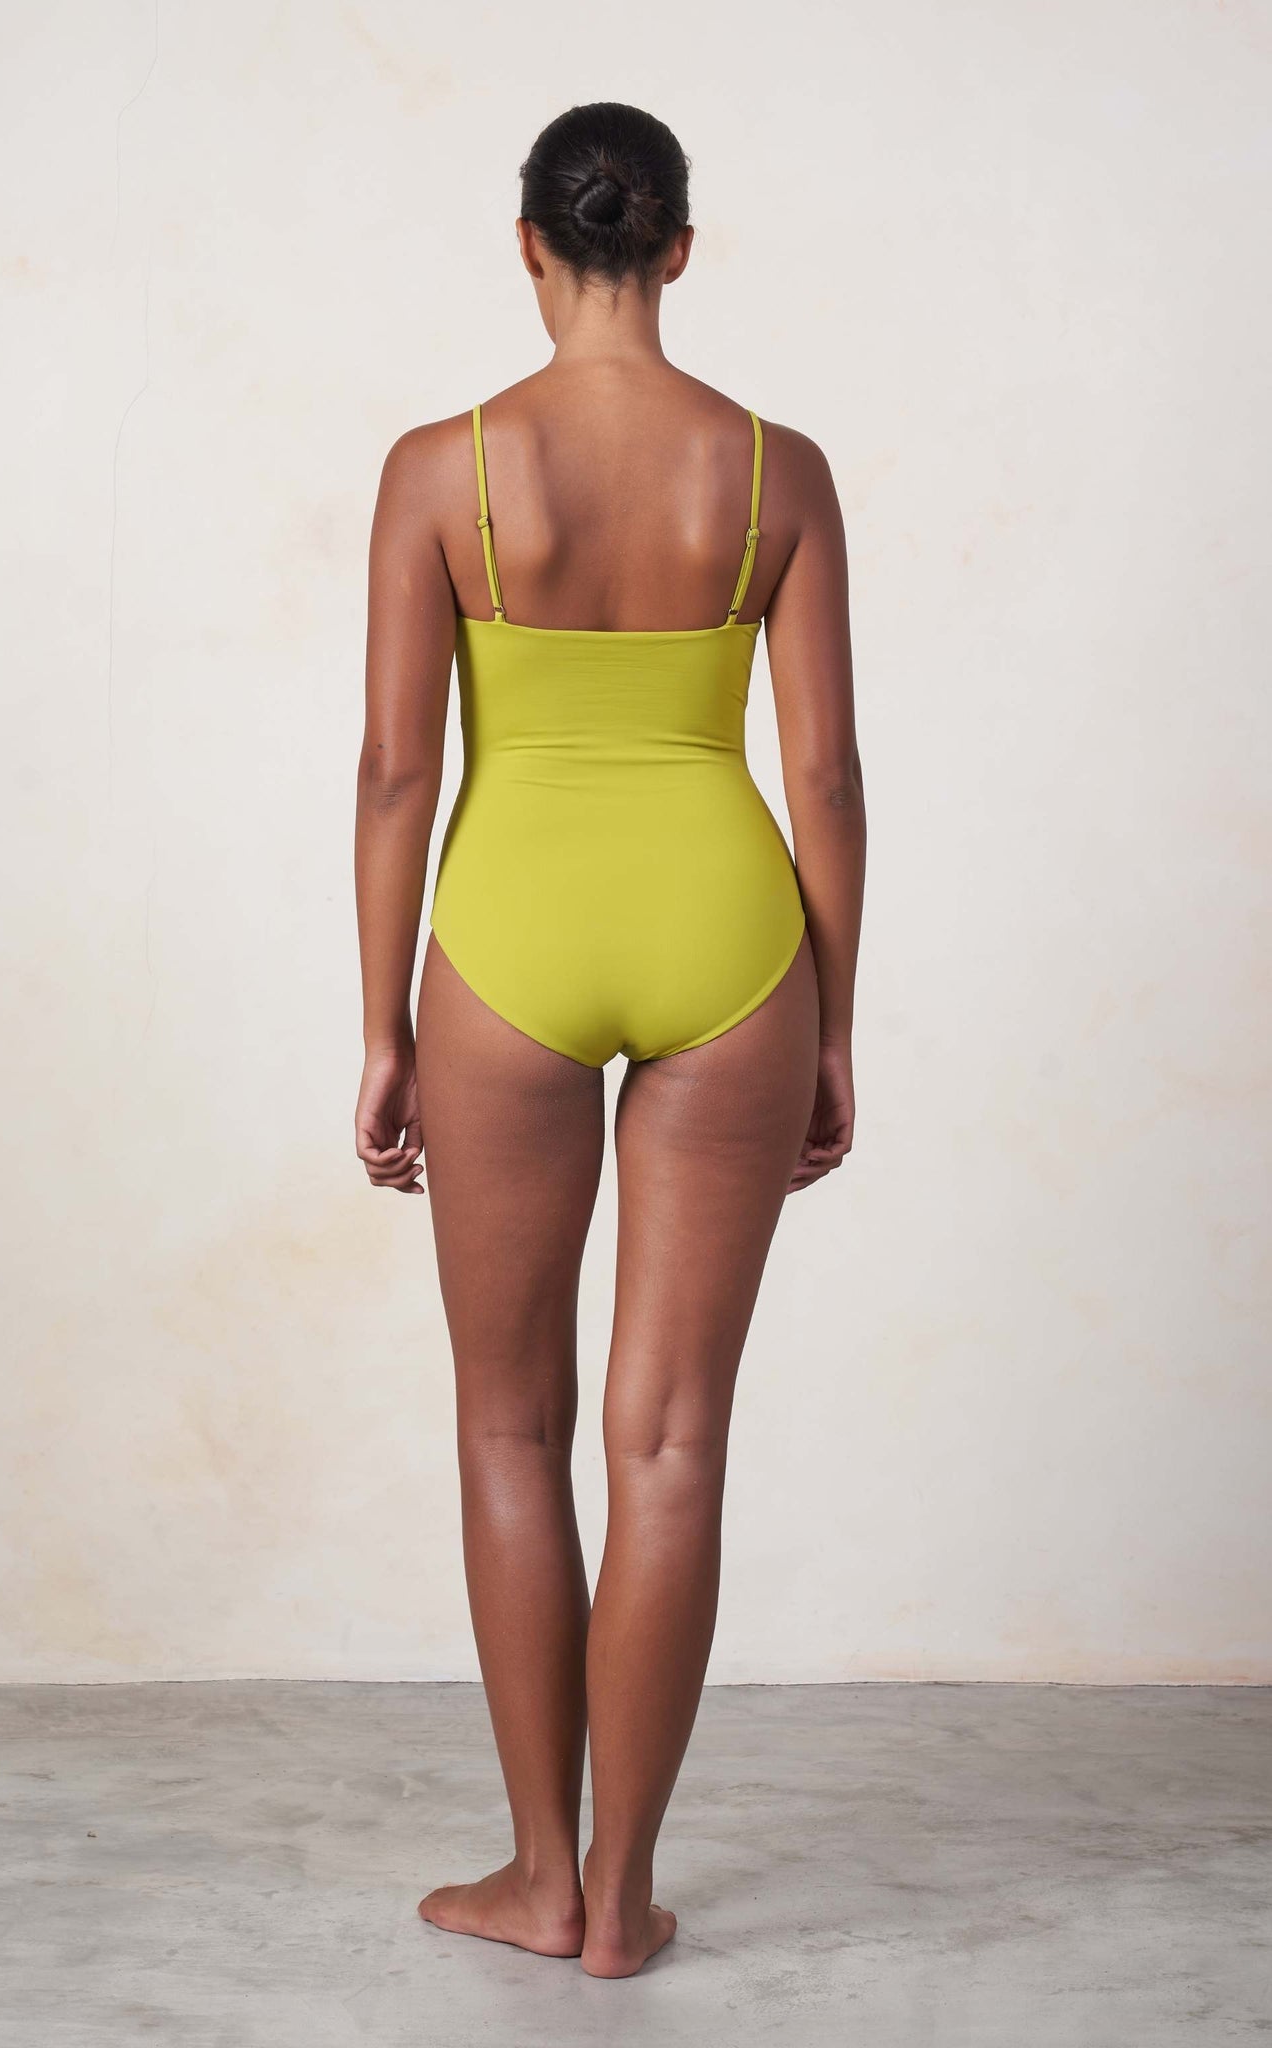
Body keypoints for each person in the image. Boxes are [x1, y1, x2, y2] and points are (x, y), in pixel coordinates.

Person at [353, 100, 864, 1979]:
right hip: (733, 939)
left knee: (511, 1422)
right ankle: (625, 1897)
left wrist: (382, 1020)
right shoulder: (775, 470)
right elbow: (824, 774)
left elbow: (396, 769)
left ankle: (538, 1876)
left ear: (528, 243)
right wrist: (830, 1023)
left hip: (508, 940)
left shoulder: (444, 469)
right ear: (679, 247)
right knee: (670, 1443)